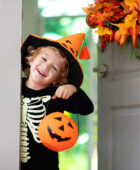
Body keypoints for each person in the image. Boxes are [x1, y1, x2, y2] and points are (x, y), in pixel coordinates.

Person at [20, 33, 94, 170]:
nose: (46, 66)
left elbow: (87, 108)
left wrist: (73, 89)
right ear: (31, 59)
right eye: (43, 59)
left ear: (57, 80)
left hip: (46, 165)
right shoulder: (14, 86)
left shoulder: (57, 95)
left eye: (54, 68)